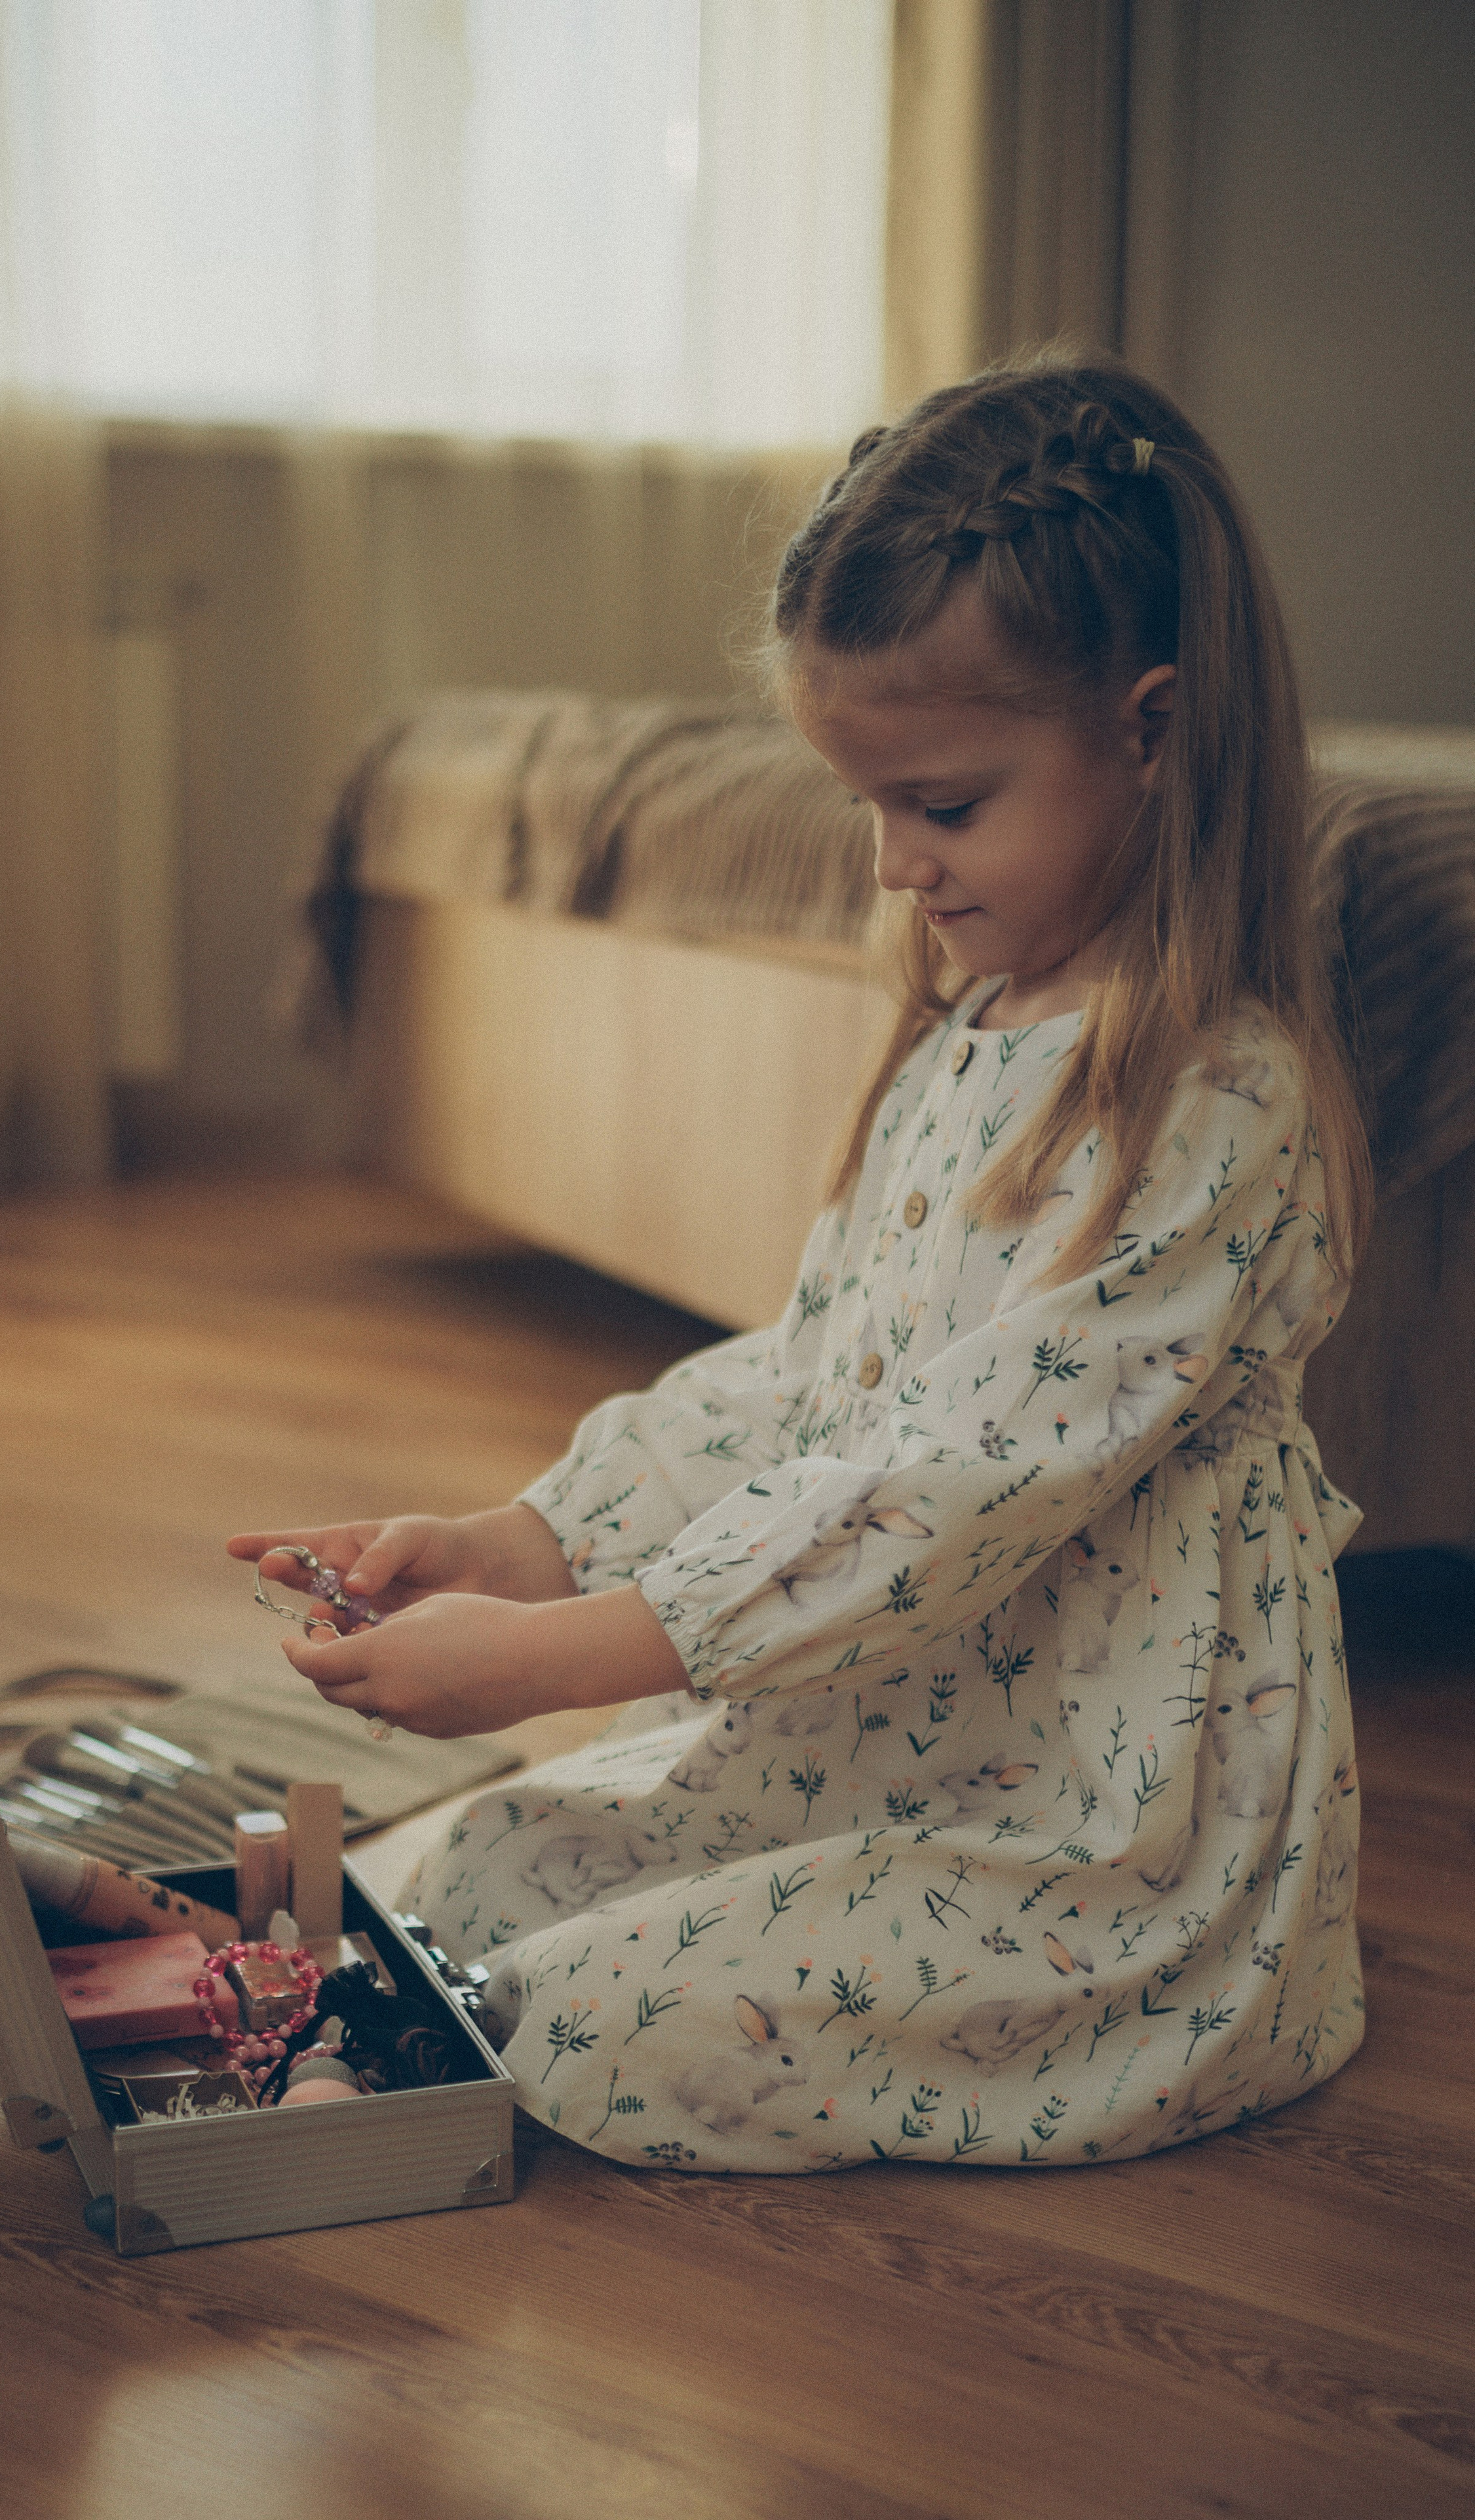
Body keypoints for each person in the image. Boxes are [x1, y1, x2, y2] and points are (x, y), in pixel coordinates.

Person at [229, 354, 1372, 2171]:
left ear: (1153, 730)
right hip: (895, 1719)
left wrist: (558, 1657)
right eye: (875, 805)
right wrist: (533, 1541)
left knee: (598, 2014)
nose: (894, 865)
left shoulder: (1213, 1104)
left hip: (1095, 1813)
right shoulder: (970, 1023)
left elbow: (942, 1490)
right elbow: (813, 1379)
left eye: (944, 805)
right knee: (485, 1864)